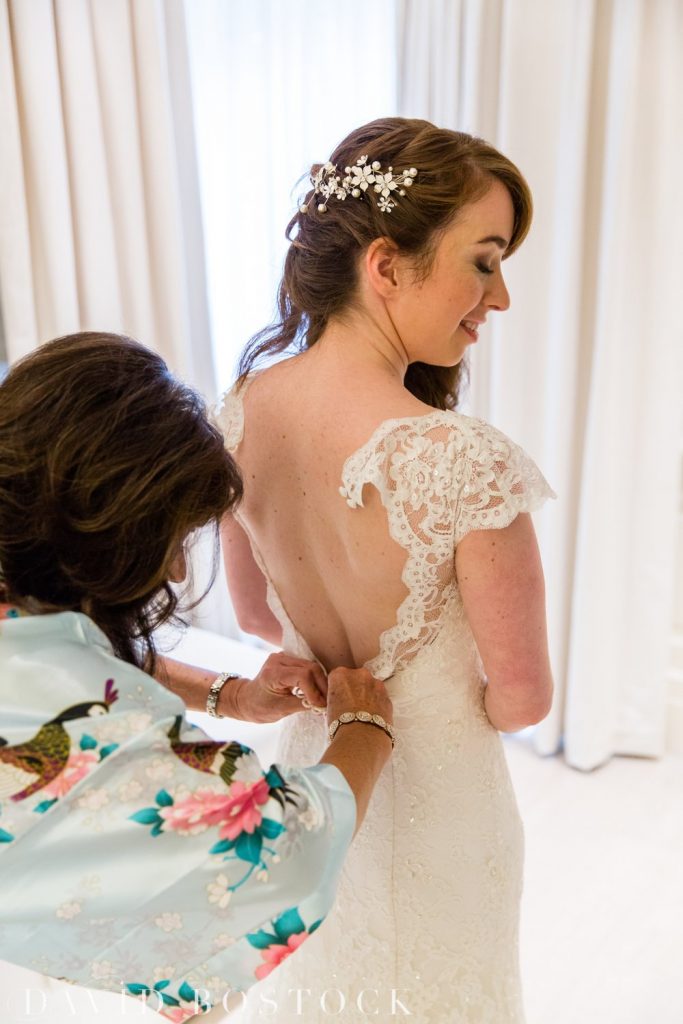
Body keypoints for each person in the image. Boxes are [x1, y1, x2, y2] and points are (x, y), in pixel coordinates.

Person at [215, 117, 557, 1022]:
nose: (502, 296)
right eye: (483, 261)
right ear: (386, 265)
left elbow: (256, 620)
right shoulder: (465, 459)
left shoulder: (244, 411)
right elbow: (521, 698)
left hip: (318, 779)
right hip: (443, 804)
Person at [0, 332, 394, 1021]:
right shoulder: (78, 708)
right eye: (172, 539)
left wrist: (226, 694)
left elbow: (49, 652)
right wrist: (364, 728)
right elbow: (278, 855)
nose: (179, 571)